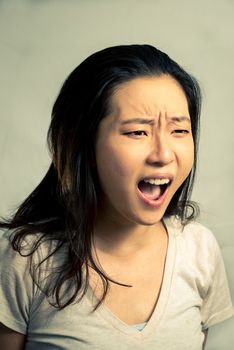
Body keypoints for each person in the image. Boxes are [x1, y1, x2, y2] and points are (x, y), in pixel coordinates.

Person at [0, 44, 233, 350]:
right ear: (85, 144)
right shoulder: (25, 259)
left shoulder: (199, 249)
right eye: (138, 132)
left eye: (179, 130)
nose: (163, 155)